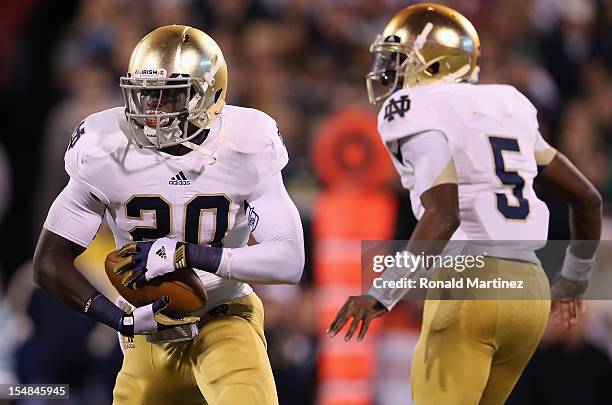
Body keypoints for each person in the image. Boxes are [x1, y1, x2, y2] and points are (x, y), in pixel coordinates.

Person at [327, 4, 602, 405]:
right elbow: (588, 200)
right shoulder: (508, 104)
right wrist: (574, 282)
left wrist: (383, 292)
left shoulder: (413, 108)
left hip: (469, 281)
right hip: (530, 289)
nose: (389, 71)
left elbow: (444, 212)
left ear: (435, 65)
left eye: (399, 61)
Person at [33, 25, 305, 405]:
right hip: (149, 322)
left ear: (209, 95)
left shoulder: (247, 141)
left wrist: (189, 255)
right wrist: (120, 318)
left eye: (168, 97)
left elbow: (290, 261)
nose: (151, 111)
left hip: (224, 310)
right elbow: (48, 262)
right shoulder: (102, 144)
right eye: (144, 96)